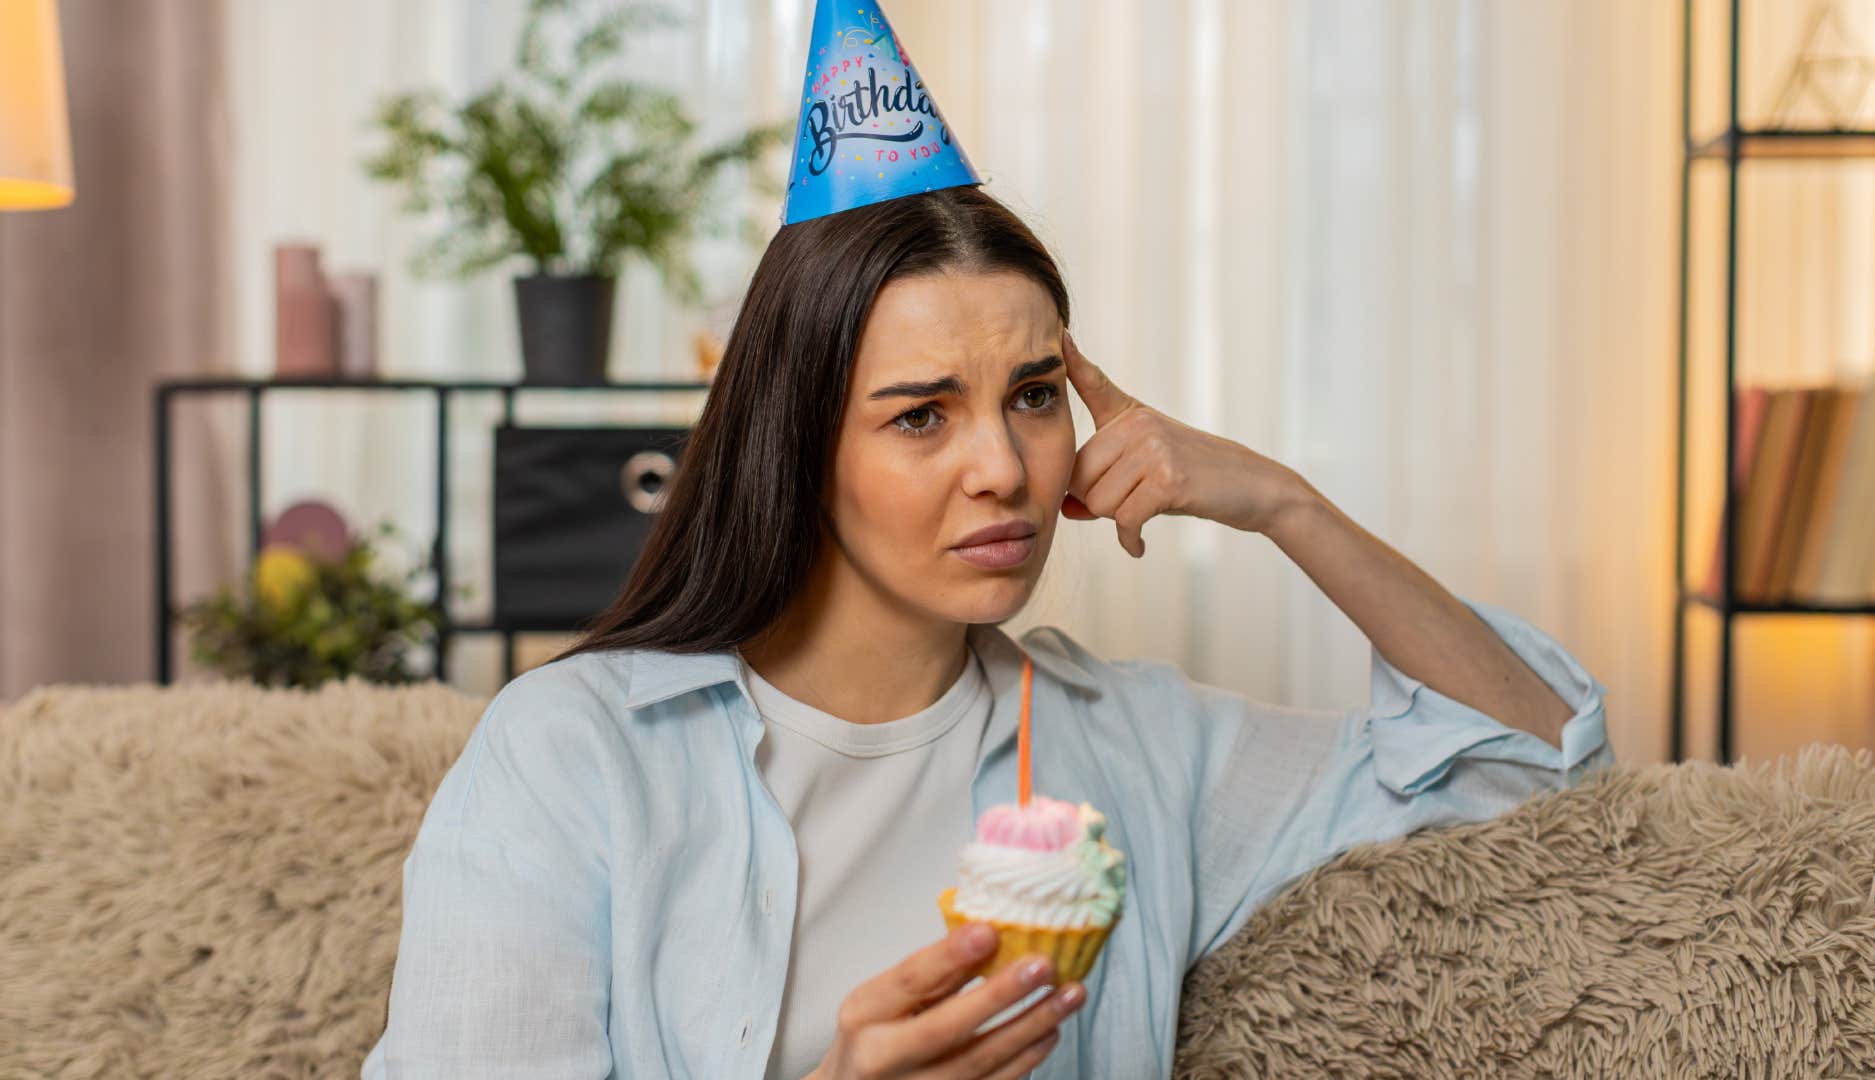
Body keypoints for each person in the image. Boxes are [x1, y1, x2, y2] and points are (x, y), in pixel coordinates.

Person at [361, 4, 1610, 1078]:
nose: (1005, 468)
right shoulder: (574, 758)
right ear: (797, 443)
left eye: (1033, 396)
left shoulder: (1136, 748)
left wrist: (1288, 506)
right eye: (921, 415)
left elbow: (1532, 761)